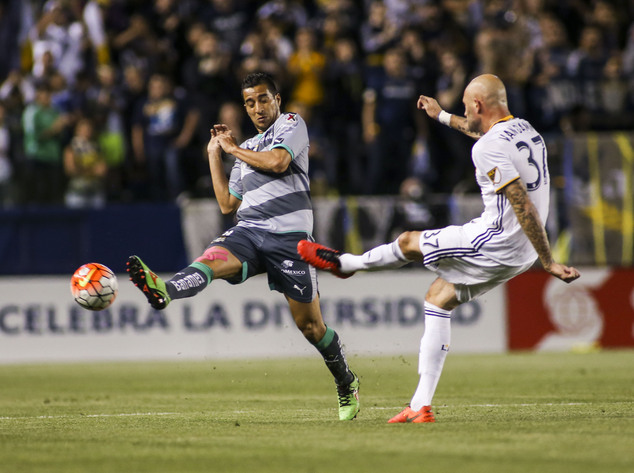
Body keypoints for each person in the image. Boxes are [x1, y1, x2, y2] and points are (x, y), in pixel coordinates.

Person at [297, 74, 580, 423]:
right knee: (438, 298)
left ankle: (348, 264)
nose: (464, 111)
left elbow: (521, 203)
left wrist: (549, 261)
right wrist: (442, 116)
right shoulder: (525, 129)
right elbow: (482, 132)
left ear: (478, 105)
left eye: (465, 106)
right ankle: (420, 406)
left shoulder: (487, 147)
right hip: (520, 250)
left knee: (408, 241)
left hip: (496, 240)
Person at [127, 72, 360, 421]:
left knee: (311, 328)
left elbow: (279, 162)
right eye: (250, 102)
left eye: (263, 99)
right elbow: (226, 204)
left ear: (277, 100)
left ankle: (346, 382)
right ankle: (165, 289)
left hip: (290, 240)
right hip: (249, 230)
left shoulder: (292, 125)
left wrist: (232, 148)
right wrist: (213, 155)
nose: (257, 108)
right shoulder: (246, 150)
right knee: (211, 258)